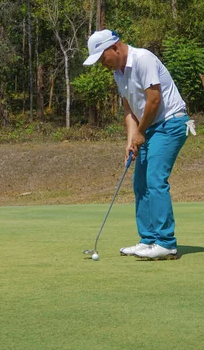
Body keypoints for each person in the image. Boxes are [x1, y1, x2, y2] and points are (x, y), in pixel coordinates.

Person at [83, 29, 195, 260]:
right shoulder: (118, 73)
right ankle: (148, 240)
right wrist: (130, 140)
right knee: (140, 183)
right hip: (149, 127)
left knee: (155, 179)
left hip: (170, 123)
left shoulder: (143, 59)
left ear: (114, 47)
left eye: (102, 58)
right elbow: (129, 110)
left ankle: (166, 243)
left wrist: (141, 132)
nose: (102, 64)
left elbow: (154, 100)